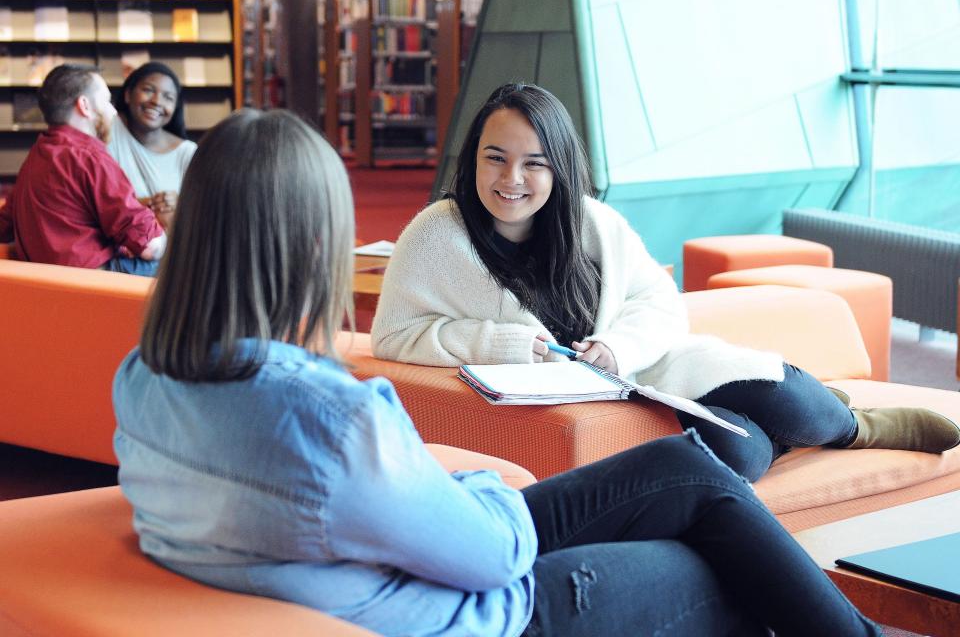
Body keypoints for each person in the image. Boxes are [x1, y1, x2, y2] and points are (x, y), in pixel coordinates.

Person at [113, 108, 883, 636]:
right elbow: (494, 554)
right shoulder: (330, 417)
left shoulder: (145, 375)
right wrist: (480, 485)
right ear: (313, 250)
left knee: (690, 471)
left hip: (385, 555)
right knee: (717, 564)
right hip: (479, 608)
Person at [371, 83, 959, 483]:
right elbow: (394, 336)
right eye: (494, 158)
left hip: (647, 369)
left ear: (560, 167)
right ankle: (804, 429)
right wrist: (495, 343)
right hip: (594, 397)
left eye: (534, 163)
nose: (511, 179)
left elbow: (657, 301)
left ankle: (855, 427)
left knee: (779, 391)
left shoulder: (591, 222)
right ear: (471, 157)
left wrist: (617, 347)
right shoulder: (438, 235)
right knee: (740, 452)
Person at [0, 64, 165, 276]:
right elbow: (149, 246)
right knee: (179, 260)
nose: (113, 111)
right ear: (84, 106)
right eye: (106, 101)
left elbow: (4, 225)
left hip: (48, 288)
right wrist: (167, 240)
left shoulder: (35, 158)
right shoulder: (90, 157)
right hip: (95, 281)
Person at [108, 61, 197, 229]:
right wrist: (151, 203)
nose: (157, 101)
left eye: (168, 97)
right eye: (148, 90)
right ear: (128, 94)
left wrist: (179, 204)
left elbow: (202, 210)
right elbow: (98, 200)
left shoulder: (187, 152)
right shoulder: (108, 129)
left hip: (167, 250)